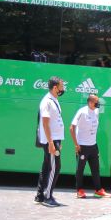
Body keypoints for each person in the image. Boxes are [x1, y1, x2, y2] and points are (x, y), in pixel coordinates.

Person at [70, 94, 111, 199]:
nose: (98, 103)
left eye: (98, 101)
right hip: (82, 146)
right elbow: (71, 128)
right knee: (80, 170)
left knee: (95, 169)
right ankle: (79, 191)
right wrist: (76, 144)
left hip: (93, 146)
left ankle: (98, 190)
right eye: (96, 101)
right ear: (90, 102)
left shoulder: (96, 111)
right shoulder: (82, 112)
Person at [34, 76, 65, 207]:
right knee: (55, 167)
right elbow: (45, 124)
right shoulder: (46, 101)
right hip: (50, 140)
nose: (63, 89)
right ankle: (48, 196)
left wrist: (59, 140)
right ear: (55, 88)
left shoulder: (54, 100)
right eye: (61, 86)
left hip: (55, 139)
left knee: (47, 166)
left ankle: (40, 195)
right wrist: (52, 143)